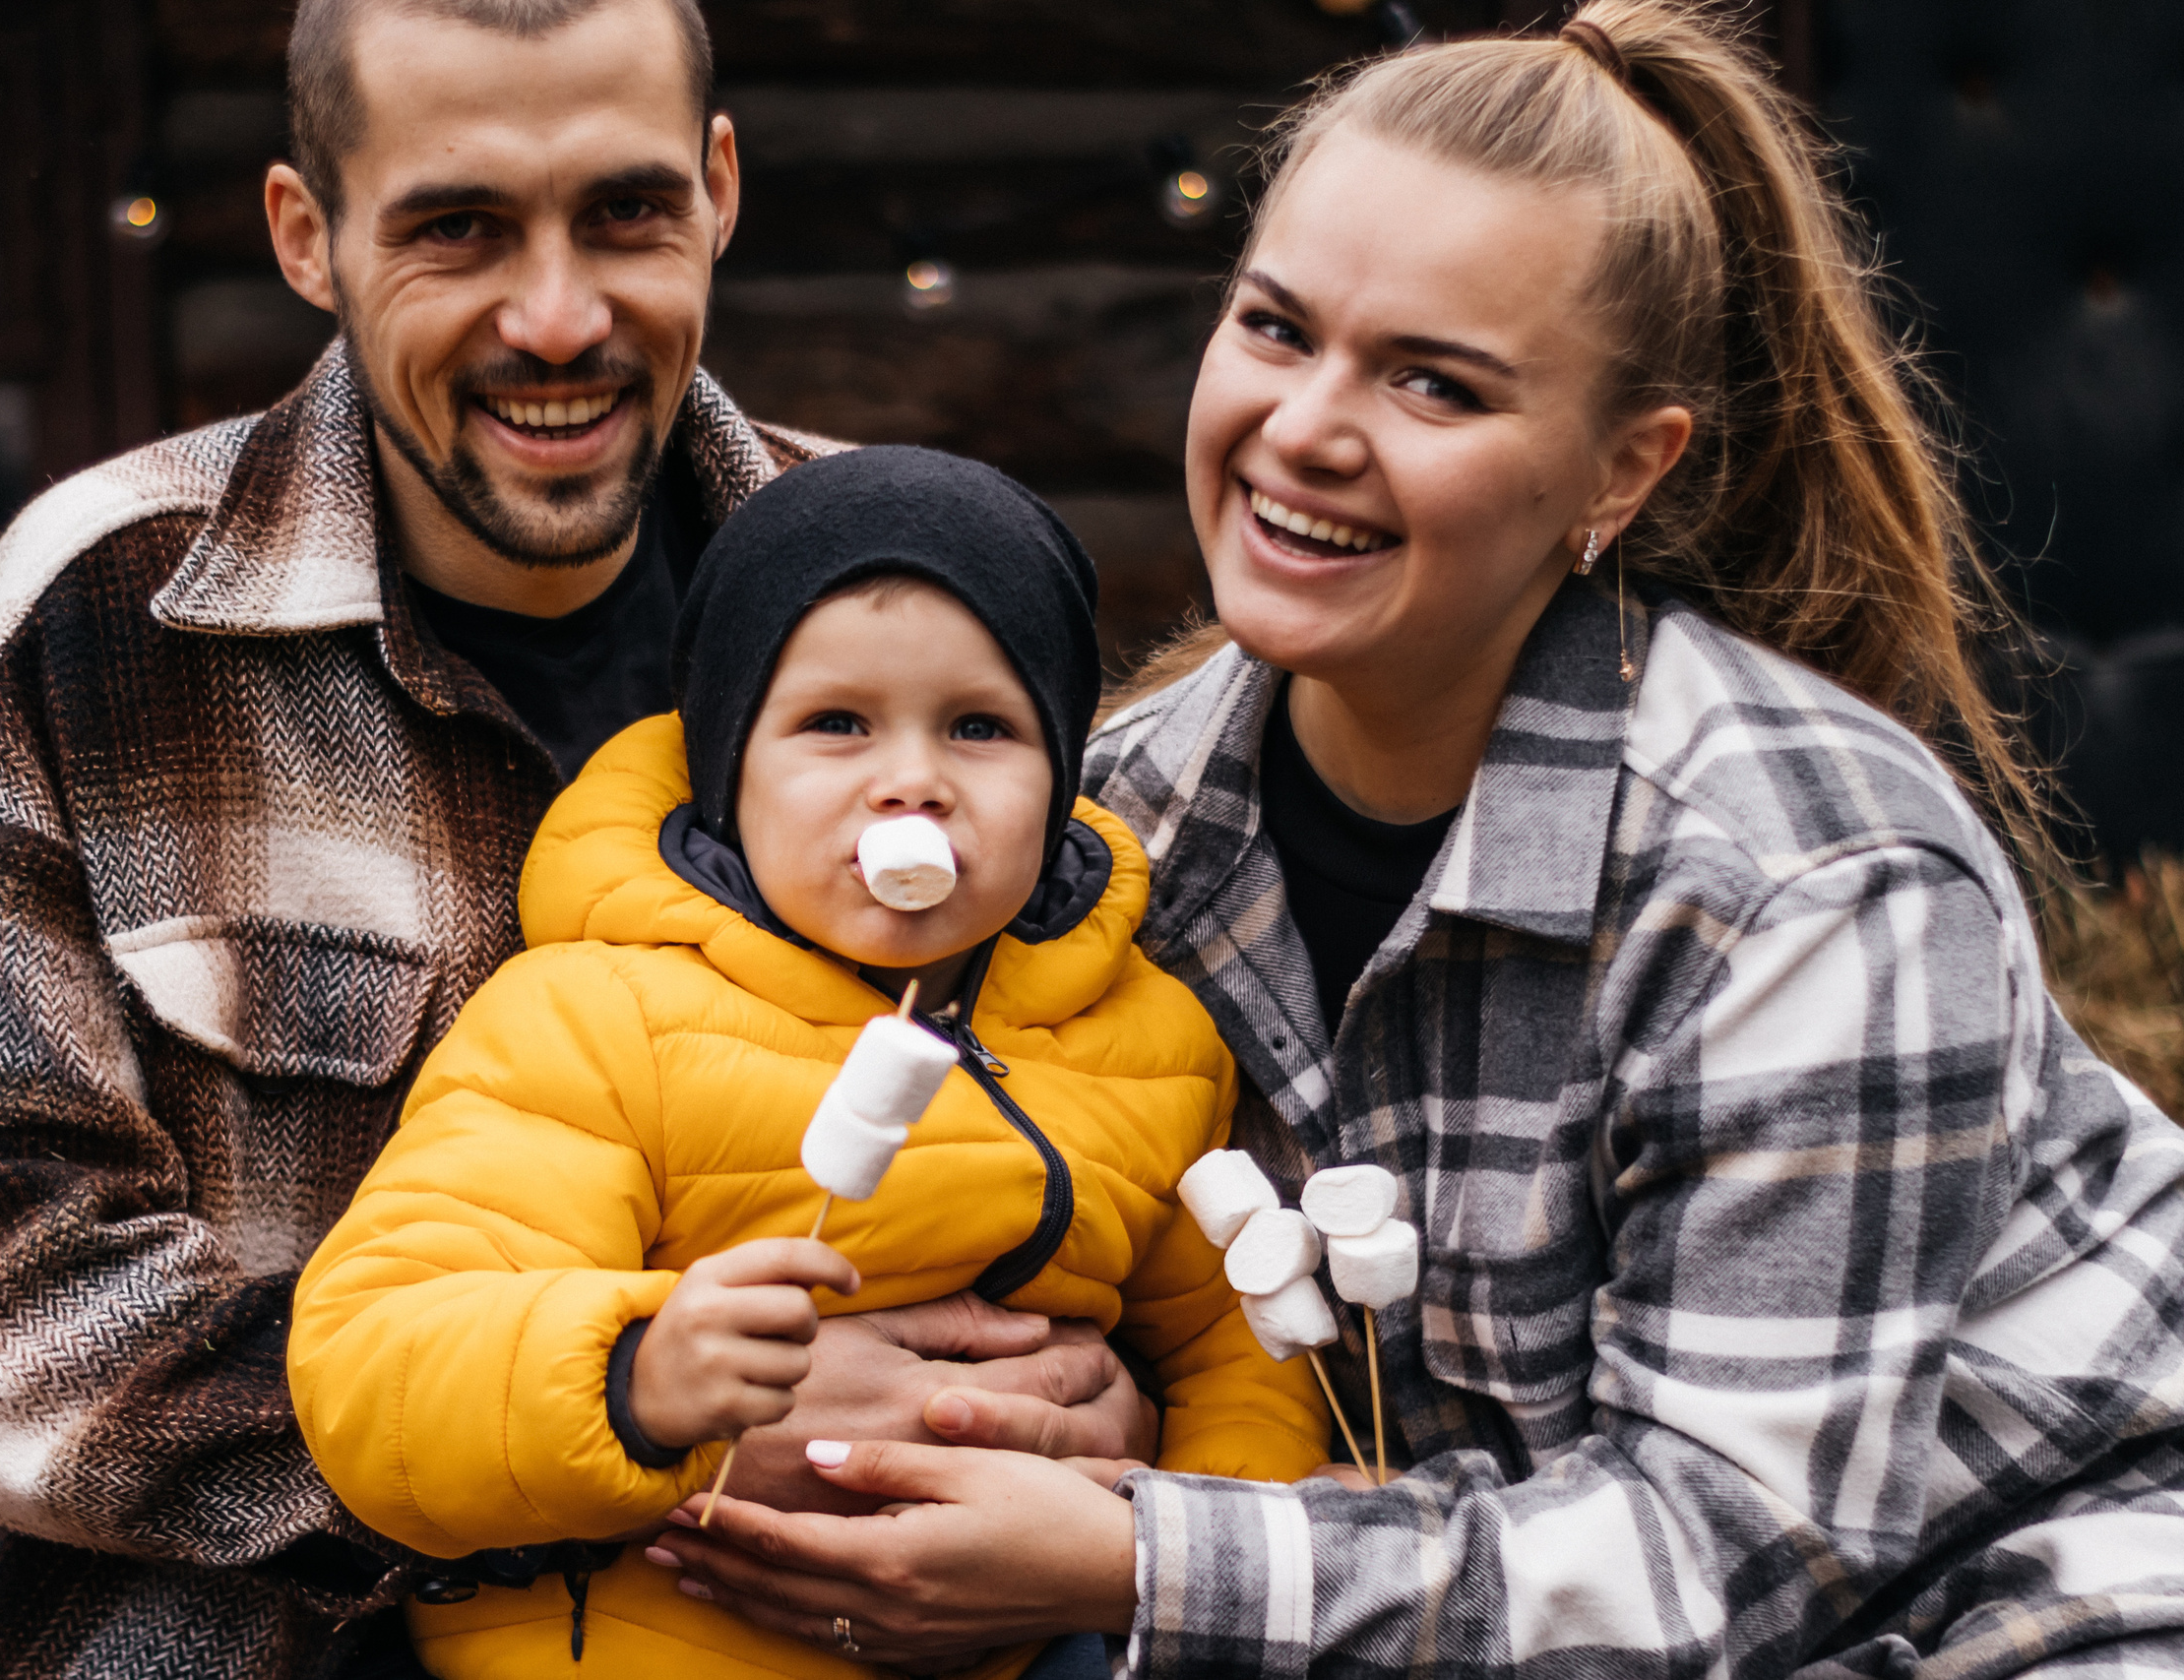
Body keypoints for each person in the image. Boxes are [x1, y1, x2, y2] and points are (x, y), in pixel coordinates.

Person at [646, 4, 2184, 1673]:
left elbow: (1724, 1558)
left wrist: (1145, 1552)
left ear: (1620, 474)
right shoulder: (1122, 831)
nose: (1307, 425)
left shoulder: (1808, 884)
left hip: (2027, 1596)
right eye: (1275, 327)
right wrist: (1077, 1408)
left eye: (1433, 383)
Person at [0, 4, 1154, 1678]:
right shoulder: (94, 616)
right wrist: (623, 1426)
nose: (559, 315)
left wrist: (1102, 1407)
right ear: (308, 235)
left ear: (719, 191)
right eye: (458, 229)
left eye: (626, 213)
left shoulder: (917, 603)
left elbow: (1107, 1069)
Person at [286, 446, 1329, 1680]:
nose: (911, 783)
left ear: (1059, 780)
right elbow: (374, 1358)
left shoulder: (1148, 1043)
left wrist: (1181, 1539)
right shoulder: (597, 1018)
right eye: (835, 723)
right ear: (730, 770)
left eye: (980, 728)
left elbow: (1229, 1350)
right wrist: (634, 1373)